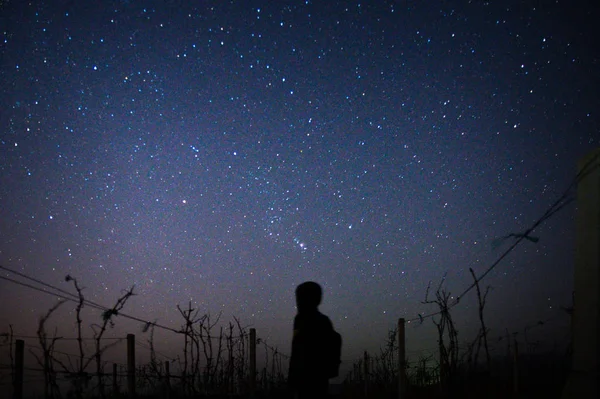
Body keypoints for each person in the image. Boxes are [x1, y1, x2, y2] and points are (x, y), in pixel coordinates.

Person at [288, 281, 338, 399]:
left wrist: (291, 380)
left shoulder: (301, 319)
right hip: (320, 377)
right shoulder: (324, 320)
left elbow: (297, 349)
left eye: (300, 298)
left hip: (306, 376)